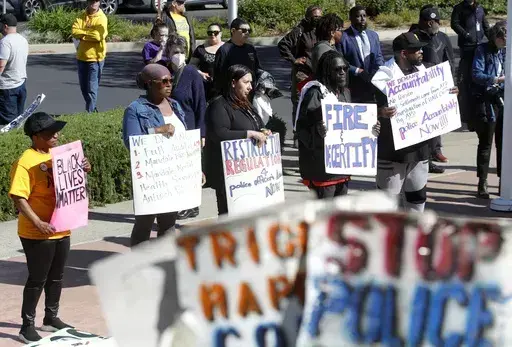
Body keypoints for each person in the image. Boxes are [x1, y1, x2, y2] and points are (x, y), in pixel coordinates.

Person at [9, 112, 92, 343]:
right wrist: (38, 222)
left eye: (57, 131)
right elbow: (18, 197)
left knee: (57, 276)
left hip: (62, 226)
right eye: (50, 132)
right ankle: (27, 327)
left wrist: (83, 167)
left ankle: (50, 317)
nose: (56, 135)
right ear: (36, 136)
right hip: (37, 232)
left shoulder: (62, 155)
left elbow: (72, 181)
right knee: (38, 278)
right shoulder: (25, 162)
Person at [371, 32, 459, 212]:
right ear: (403, 53)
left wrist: (450, 93)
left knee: (417, 200)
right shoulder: (381, 78)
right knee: (387, 207)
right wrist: (379, 112)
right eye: (416, 50)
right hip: (392, 156)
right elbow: (360, 110)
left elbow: (439, 98)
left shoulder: (428, 72)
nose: (421, 52)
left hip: (420, 152)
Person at [296, 50, 380, 199]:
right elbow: (302, 128)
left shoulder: (344, 93)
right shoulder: (315, 93)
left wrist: (370, 130)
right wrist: (317, 132)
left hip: (343, 168)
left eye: (345, 69)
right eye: (337, 69)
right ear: (327, 72)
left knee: (339, 215)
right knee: (325, 216)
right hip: (322, 169)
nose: (342, 73)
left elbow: (351, 127)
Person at [122, 64, 188, 246]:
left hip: (175, 174)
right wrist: (157, 130)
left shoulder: (175, 105)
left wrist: (195, 167)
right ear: (149, 84)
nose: (169, 85)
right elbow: (131, 141)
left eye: (171, 80)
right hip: (150, 177)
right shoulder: (135, 109)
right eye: (164, 81)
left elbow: (186, 141)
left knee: (168, 224)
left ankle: (164, 264)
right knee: (145, 224)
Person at [205, 64, 269, 215]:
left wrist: (262, 131)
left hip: (249, 173)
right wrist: (249, 134)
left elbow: (255, 125)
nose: (250, 87)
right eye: (246, 82)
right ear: (233, 83)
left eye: (251, 82)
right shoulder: (219, 105)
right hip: (228, 177)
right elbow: (219, 134)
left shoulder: (245, 103)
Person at [164, 33, 206, 219]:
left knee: (190, 167)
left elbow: (200, 104)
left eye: (182, 51)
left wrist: (201, 132)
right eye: (175, 51)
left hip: (189, 127)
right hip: (169, 129)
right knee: (175, 168)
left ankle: (192, 205)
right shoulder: (163, 72)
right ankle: (179, 203)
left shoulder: (191, 74)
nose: (178, 55)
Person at [410, 5, 456, 173]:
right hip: (419, 90)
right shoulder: (412, 37)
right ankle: (425, 159)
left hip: (439, 87)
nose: (438, 23)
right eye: (436, 21)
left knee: (437, 121)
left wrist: (453, 83)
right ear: (429, 22)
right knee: (423, 124)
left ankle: (436, 151)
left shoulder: (443, 37)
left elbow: (450, 62)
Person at [470, 21, 506, 199]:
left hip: (503, 100)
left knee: (504, 144)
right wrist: (496, 79)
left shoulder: (506, 51)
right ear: (495, 37)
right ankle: (482, 182)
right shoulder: (482, 50)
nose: (505, 43)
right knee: (486, 143)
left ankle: (503, 181)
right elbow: (476, 74)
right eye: (503, 39)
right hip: (486, 102)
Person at [278, 6, 322, 147]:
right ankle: (298, 135)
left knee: (317, 104)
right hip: (302, 74)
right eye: (315, 16)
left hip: (318, 74)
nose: (318, 19)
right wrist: (293, 60)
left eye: (320, 16)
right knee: (299, 105)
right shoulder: (300, 31)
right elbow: (283, 45)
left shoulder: (322, 30)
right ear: (308, 16)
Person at [451, 0, 489, 124]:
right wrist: (466, 34)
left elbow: (485, 25)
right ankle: (466, 113)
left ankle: (478, 111)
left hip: (479, 46)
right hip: (467, 47)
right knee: (467, 79)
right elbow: (454, 24)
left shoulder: (479, 8)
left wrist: (492, 39)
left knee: (478, 78)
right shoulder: (460, 8)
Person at [337, 5, 384, 103]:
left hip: (374, 83)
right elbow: (340, 62)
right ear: (351, 18)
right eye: (358, 16)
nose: (362, 19)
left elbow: (378, 56)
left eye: (364, 16)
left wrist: (378, 71)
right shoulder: (343, 38)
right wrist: (358, 71)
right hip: (354, 85)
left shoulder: (373, 35)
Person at [71, 0, 108, 113]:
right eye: (91, 0)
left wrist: (83, 34)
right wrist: (88, 34)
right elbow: (74, 31)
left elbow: (98, 36)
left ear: (99, 2)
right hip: (82, 57)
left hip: (95, 59)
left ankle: (90, 113)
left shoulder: (102, 18)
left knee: (92, 88)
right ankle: (92, 107)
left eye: (96, 0)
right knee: (84, 88)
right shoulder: (81, 16)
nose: (93, 3)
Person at [213, 18, 261, 96]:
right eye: (244, 30)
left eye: (249, 30)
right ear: (233, 31)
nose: (247, 33)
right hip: (232, 95)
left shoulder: (251, 49)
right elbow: (219, 77)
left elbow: (257, 69)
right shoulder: (224, 50)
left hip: (250, 92)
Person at [0, 14, 29, 125]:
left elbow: (1, 65)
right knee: (18, 119)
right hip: (21, 84)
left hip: (7, 87)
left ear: (5, 26)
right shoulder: (23, 40)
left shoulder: (5, 42)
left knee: (8, 122)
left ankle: (9, 141)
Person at [190, 23, 224, 101]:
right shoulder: (200, 49)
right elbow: (191, 66)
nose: (212, 34)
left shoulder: (228, 48)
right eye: (209, 32)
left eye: (215, 32)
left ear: (221, 33)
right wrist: (200, 73)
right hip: (204, 87)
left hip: (223, 88)